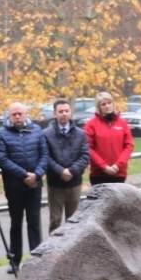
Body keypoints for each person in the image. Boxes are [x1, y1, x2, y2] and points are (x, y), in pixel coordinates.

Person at [0, 102, 47, 275]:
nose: (17, 117)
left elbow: (44, 155)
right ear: (9, 116)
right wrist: (24, 175)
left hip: (34, 186)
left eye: (20, 114)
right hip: (15, 186)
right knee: (15, 223)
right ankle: (14, 259)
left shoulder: (37, 131)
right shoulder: (2, 133)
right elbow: (2, 159)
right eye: (14, 114)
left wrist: (36, 175)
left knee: (34, 222)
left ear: (26, 114)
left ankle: (36, 260)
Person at [43, 98, 89, 233]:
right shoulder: (46, 134)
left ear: (71, 113)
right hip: (55, 184)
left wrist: (72, 171)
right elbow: (45, 156)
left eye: (66, 111)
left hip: (74, 184)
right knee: (55, 221)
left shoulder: (81, 134)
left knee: (74, 221)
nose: (64, 114)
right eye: (61, 111)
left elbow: (85, 156)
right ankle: (52, 252)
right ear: (55, 113)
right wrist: (60, 171)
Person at [84, 92, 133, 185]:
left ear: (113, 103)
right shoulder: (91, 124)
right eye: (103, 104)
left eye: (109, 103)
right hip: (98, 174)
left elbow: (129, 145)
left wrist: (118, 165)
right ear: (99, 107)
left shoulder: (123, 123)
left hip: (119, 173)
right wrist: (103, 166)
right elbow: (88, 147)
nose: (107, 106)